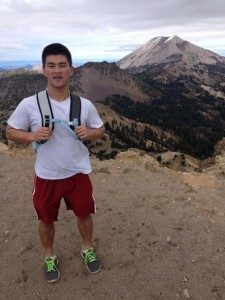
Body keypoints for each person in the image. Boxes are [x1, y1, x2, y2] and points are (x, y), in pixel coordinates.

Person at [6, 43, 105, 283]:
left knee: (84, 213)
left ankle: (86, 248)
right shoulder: (30, 104)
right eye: (51, 65)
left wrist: (89, 133)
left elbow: (101, 129)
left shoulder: (84, 105)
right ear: (44, 70)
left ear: (71, 69)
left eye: (62, 65)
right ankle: (49, 255)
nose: (57, 70)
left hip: (78, 173)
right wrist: (32, 136)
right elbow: (10, 131)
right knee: (46, 219)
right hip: (47, 175)